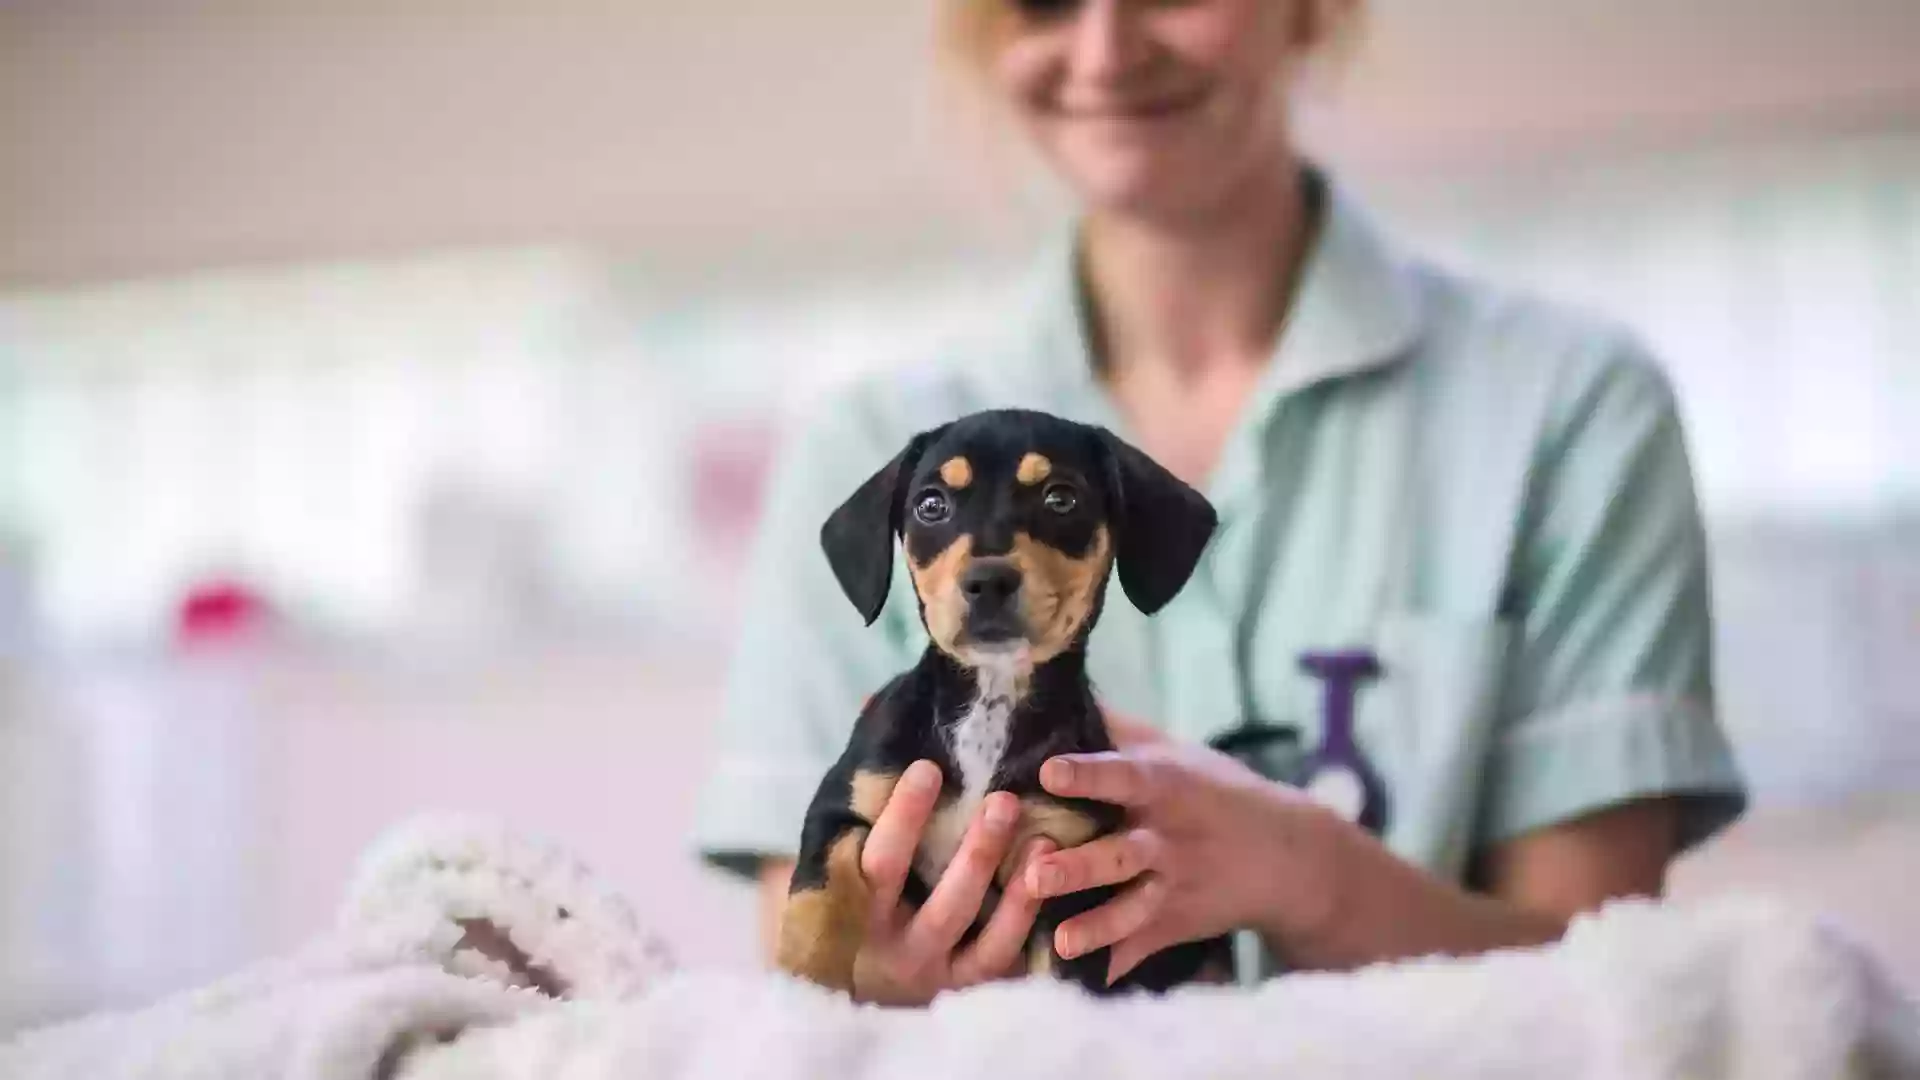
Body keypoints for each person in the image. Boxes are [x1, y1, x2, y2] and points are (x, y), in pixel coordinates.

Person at [692, 0, 1747, 1005]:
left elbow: (1607, 994)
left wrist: (1313, 876)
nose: (1104, 52)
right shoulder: (865, 450)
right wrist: (871, 977)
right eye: (1043, 0)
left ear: (1315, 8)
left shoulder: (1568, 409)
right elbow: (806, 952)